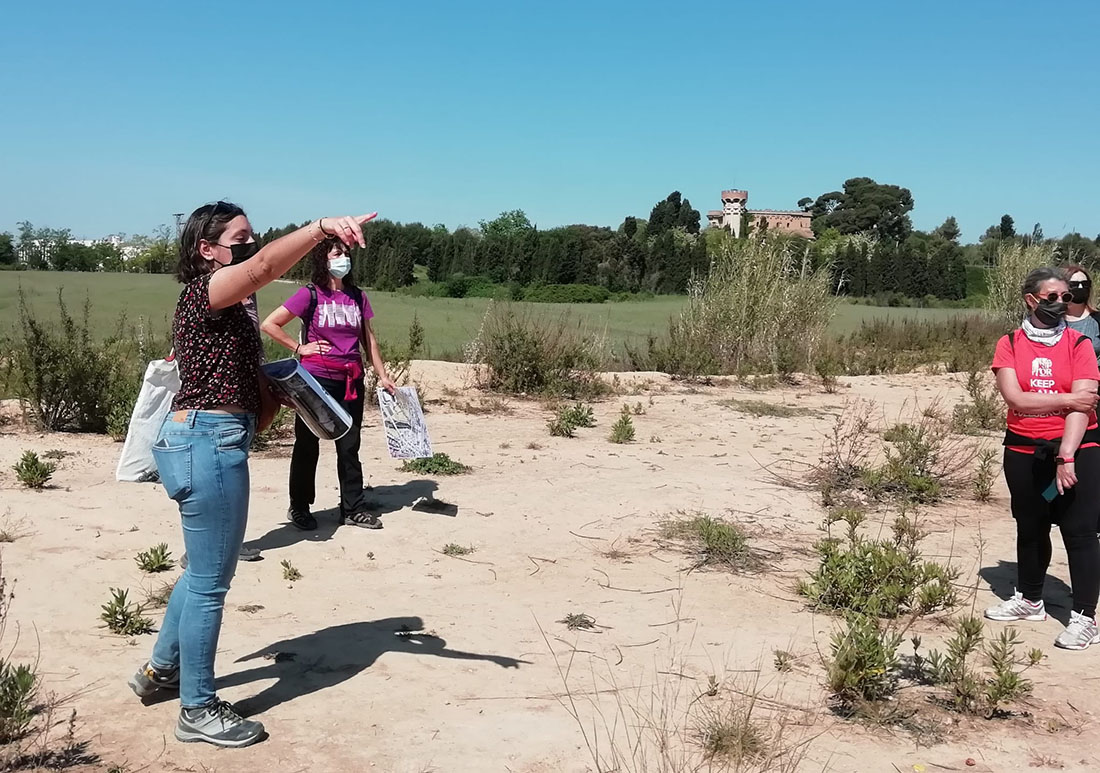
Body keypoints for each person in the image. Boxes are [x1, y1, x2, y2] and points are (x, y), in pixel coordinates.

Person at [127, 201, 376, 747]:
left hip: (220, 439)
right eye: (239, 239)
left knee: (201, 574)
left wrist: (283, 394)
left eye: (252, 236)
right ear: (207, 250)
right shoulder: (204, 293)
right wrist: (320, 229)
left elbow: (253, 404)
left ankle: (159, 672)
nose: (250, 245)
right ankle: (196, 707)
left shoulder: (239, 309)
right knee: (212, 582)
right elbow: (263, 266)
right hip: (205, 443)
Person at [985, 267, 1100, 650]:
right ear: (1031, 299)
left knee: (1080, 532)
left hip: (1077, 448)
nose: (1060, 303)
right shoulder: (1011, 343)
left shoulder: (1080, 345)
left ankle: (1084, 617)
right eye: (1051, 297)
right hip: (1022, 448)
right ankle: (1030, 598)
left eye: (1066, 297)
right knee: (1030, 527)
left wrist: (1066, 455)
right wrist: (1065, 398)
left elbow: (1084, 406)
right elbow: (1016, 399)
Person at [260, 239, 396, 530]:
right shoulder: (310, 294)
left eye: (346, 254)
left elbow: (368, 339)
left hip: (351, 379)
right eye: (337, 253)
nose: (343, 258)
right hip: (315, 381)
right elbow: (270, 324)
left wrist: (382, 375)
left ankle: (352, 508)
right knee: (307, 445)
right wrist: (300, 349)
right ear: (324, 260)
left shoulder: (358, 297)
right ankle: (299, 507)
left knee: (349, 446)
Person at [1064, 264, 1100, 362]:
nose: (1080, 287)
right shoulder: (1051, 320)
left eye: (1085, 284)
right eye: (1074, 284)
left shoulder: (1097, 320)